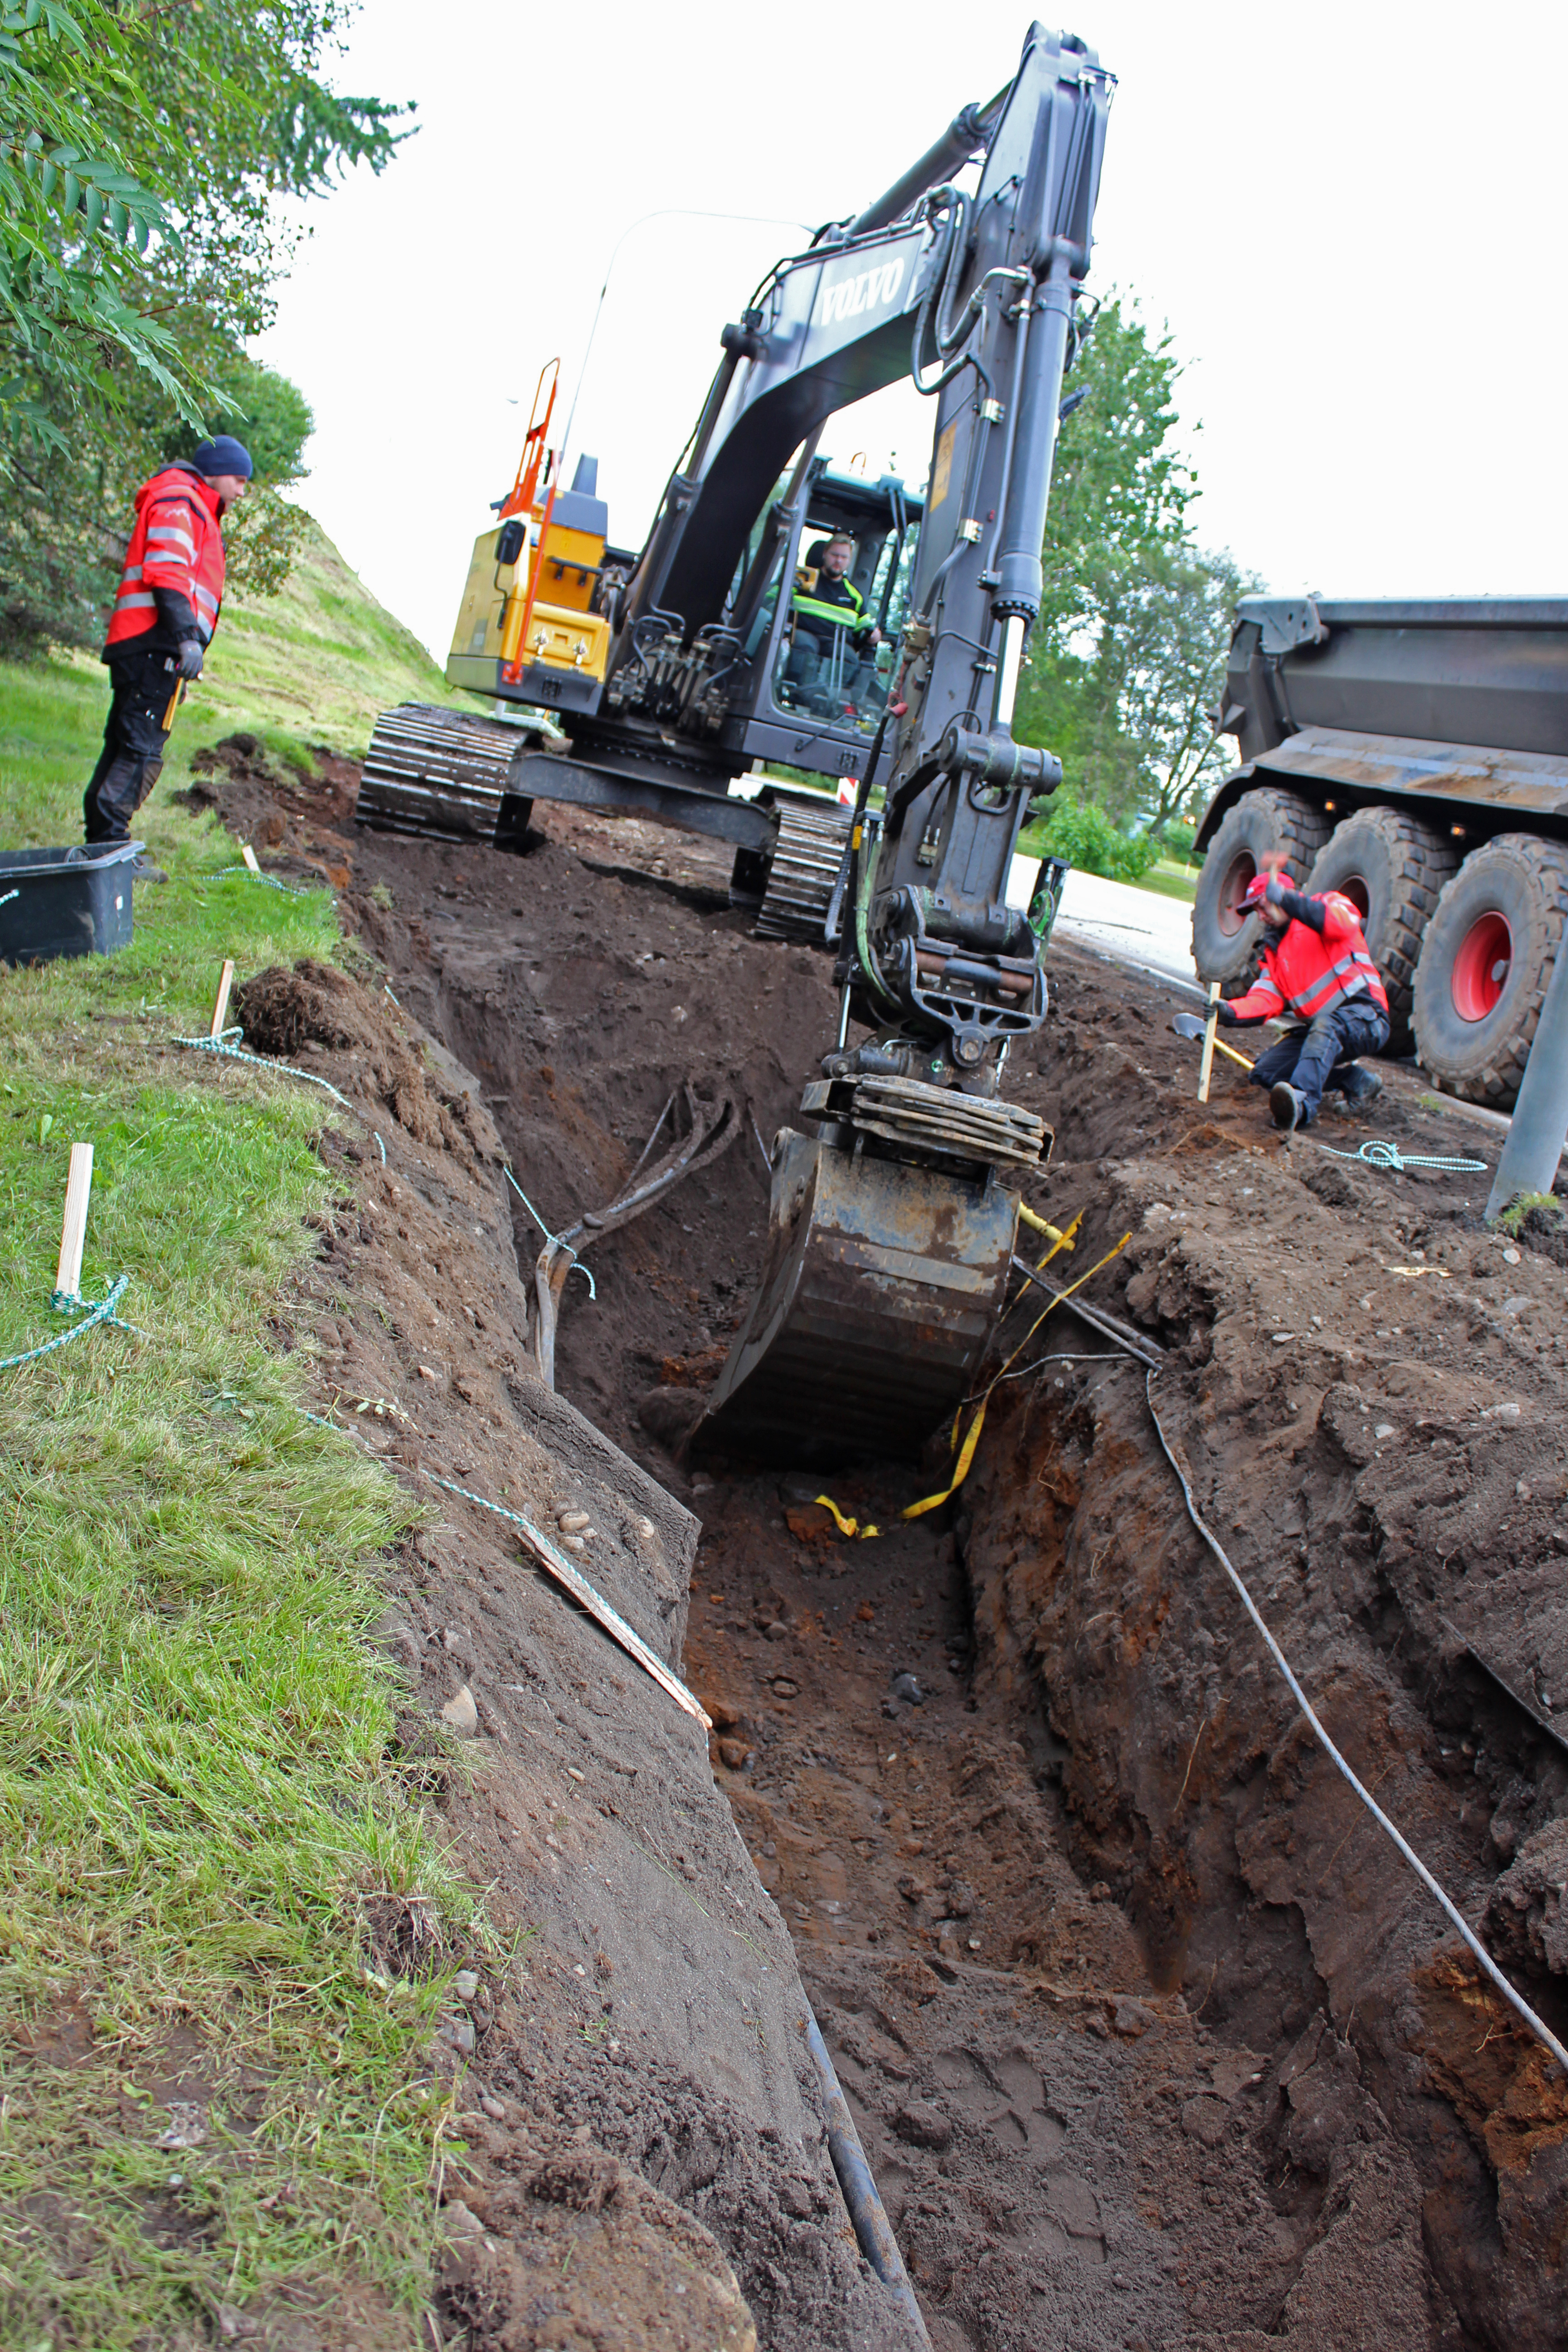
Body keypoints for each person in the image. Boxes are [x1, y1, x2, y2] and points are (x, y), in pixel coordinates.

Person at [84, 434, 253, 848]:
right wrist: (186, 640)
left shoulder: (191, 505)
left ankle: (102, 846)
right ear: (215, 473)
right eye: (239, 479)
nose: (242, 491)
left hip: (151, 647)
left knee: (127, 746)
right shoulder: (183, 500)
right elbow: (169, 569)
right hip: (153, 646)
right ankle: (111, 847)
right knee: (139, 752)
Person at [1215, 868, 1390, 1131]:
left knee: (1326, 1028)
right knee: (1265, 1073)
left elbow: (1341, 923)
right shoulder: (1275, 952)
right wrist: (1229, 1012)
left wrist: (1288, 900)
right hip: (1327, 1031)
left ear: (1285, 897)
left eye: (1263, 906)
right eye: (1256, 912)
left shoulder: (1328, 904)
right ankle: (1354, 1081)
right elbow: (1265, 998)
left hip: (1368, 1019)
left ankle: (1302, 1104)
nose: (1261, 916)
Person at [784, 532, 881, 712]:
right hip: (803, 635)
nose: (838, 561)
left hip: (835, 643)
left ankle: (827, 704)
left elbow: (866, 625)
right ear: (824, 554)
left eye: (844, 557)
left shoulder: (854, 596)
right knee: (805, 647)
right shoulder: (801, 580)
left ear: (849, 561)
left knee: (849, 658)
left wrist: (874, 634)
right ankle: (793, 696)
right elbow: (770, 601)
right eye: (835, 555)